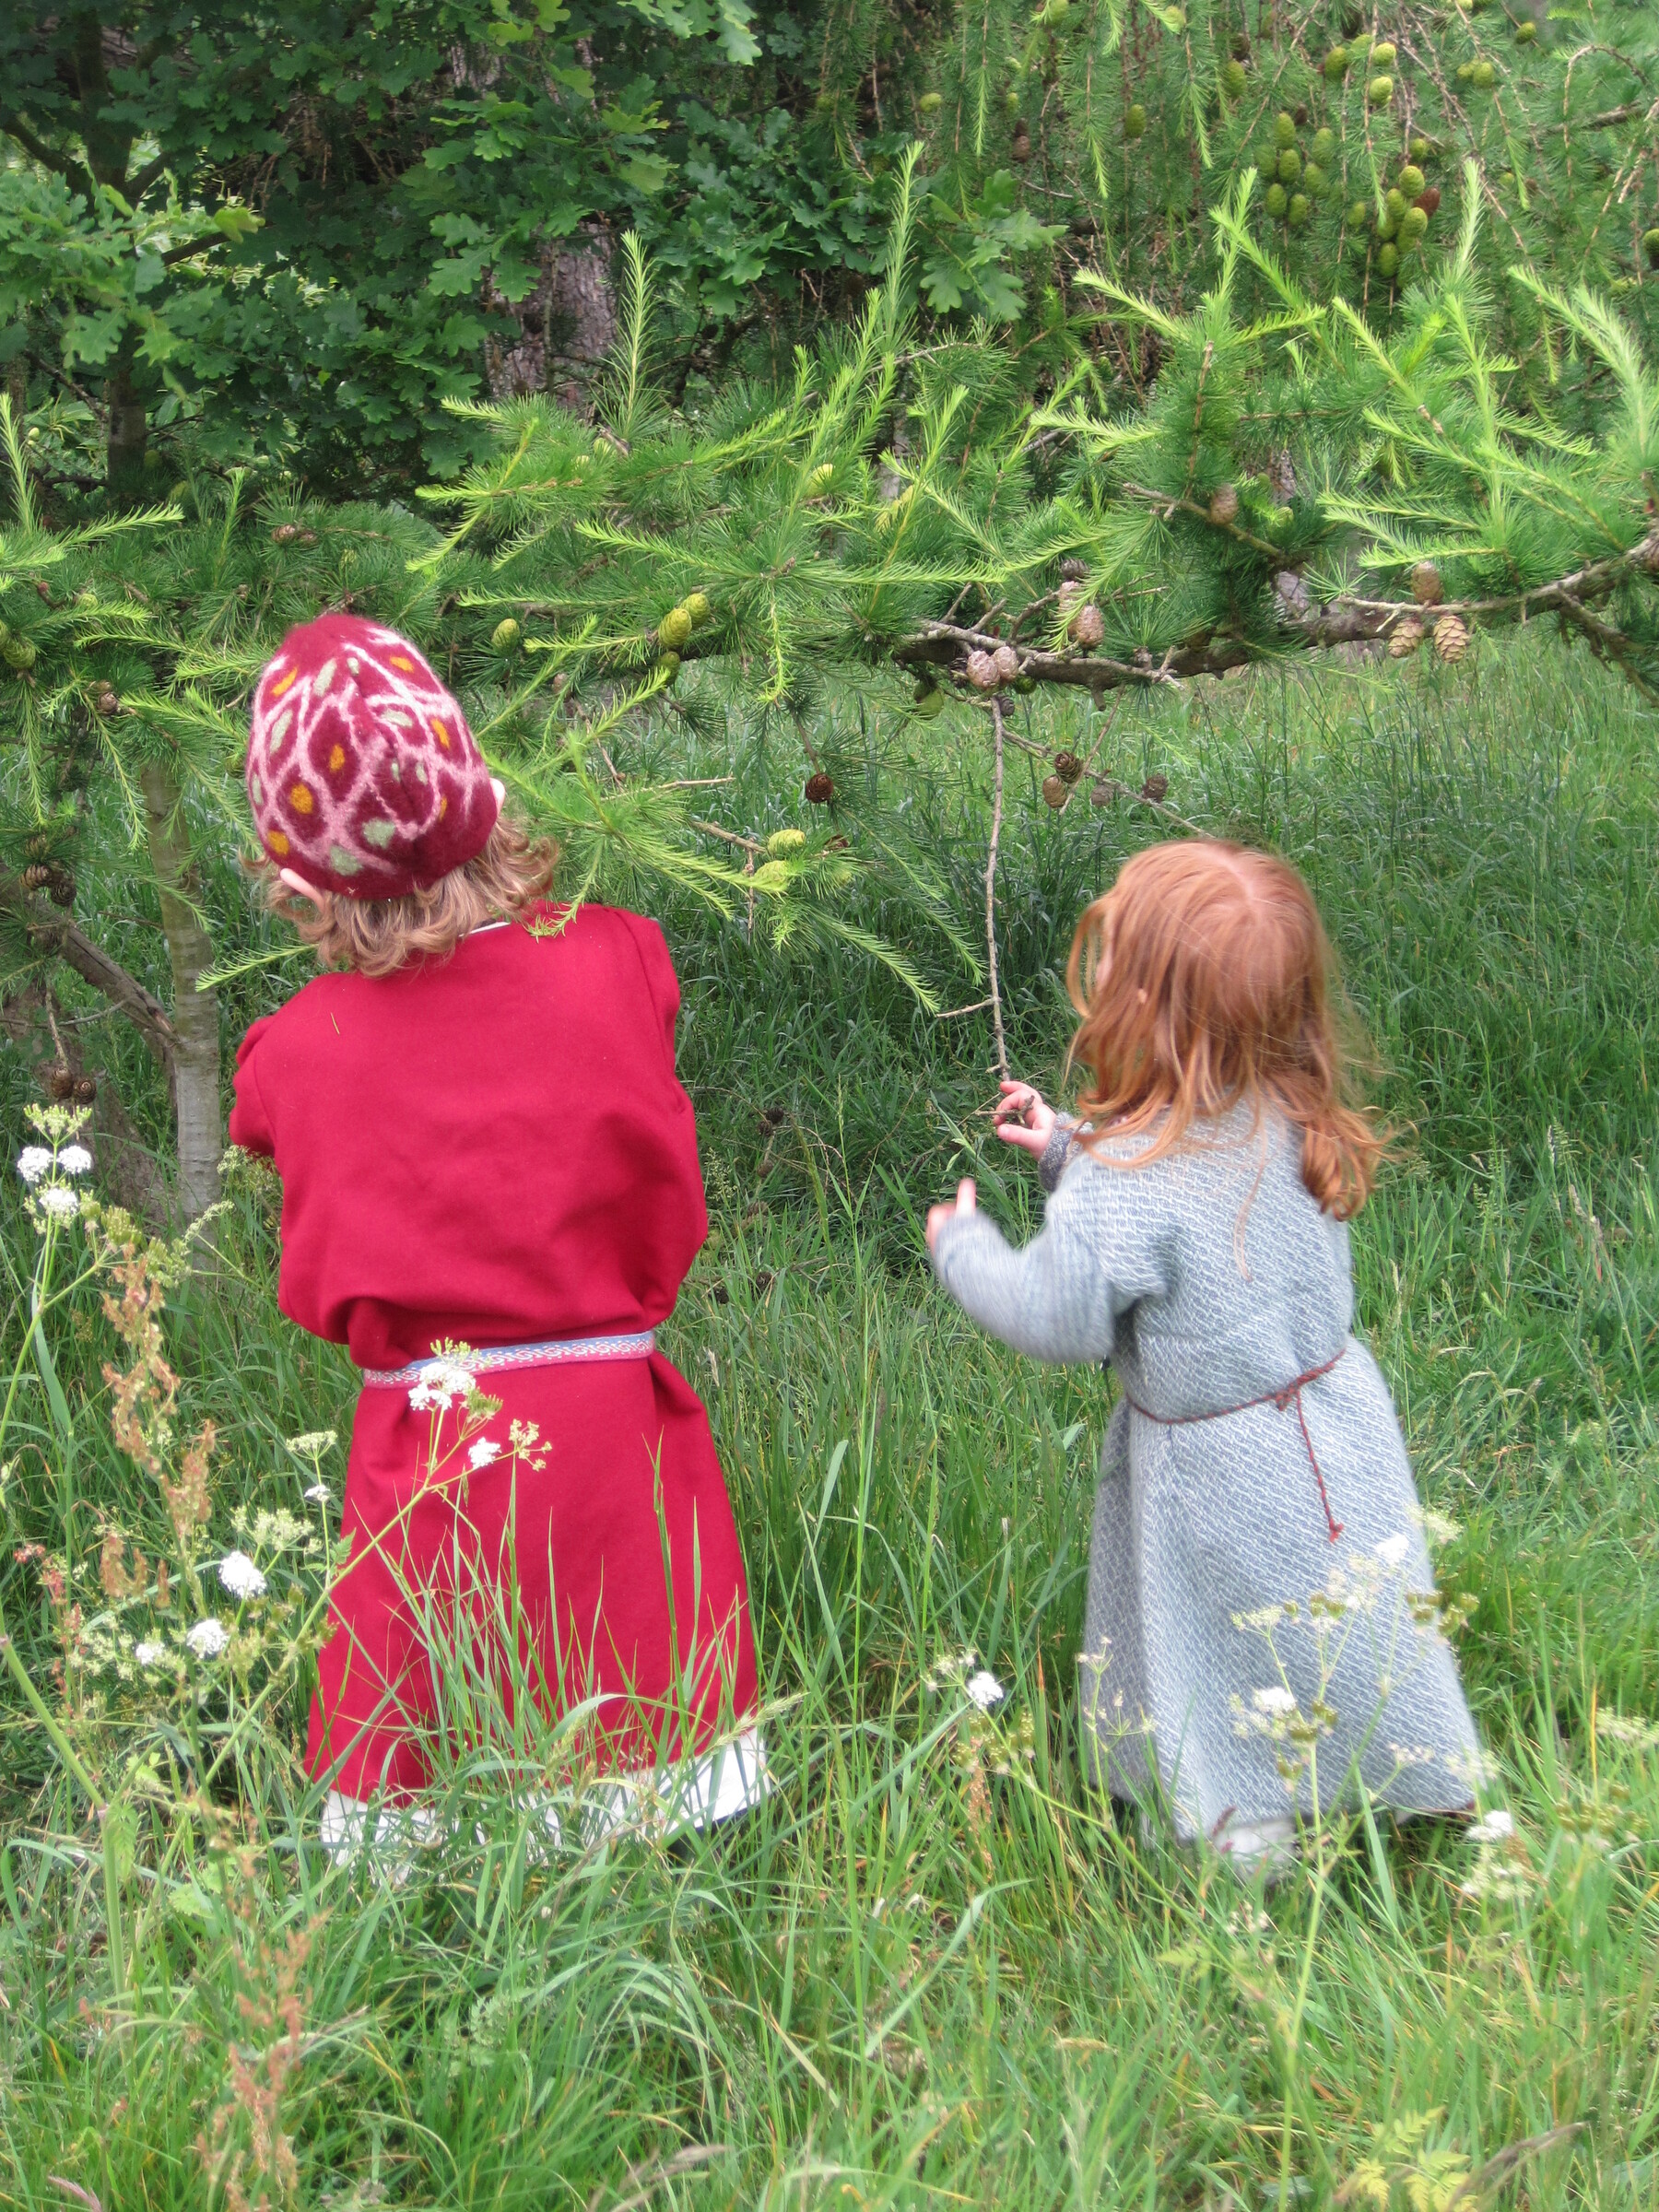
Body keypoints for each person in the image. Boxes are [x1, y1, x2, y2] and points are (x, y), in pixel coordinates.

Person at [229, 612, 764, 1853]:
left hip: (430, 1440)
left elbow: (268, 1112)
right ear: (483, 799)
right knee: (639, 1737)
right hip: (611, 1433)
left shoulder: (300, 1053)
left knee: (434, 1736)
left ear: (302, 883)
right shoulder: (620, 962)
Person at [926, 840, 1483, 1872]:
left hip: (1212, 1477)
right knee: (1353, 1617)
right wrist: (1065, 1152)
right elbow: (1192, 1205)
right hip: (1341, 1431)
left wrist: (964, 1250)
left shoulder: (1124, 1178)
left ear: (1140, 1006)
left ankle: (1242, 1856)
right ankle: (1401, 1769)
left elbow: (1063, 1314)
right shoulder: (1294, 1108)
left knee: (1224, 1651)